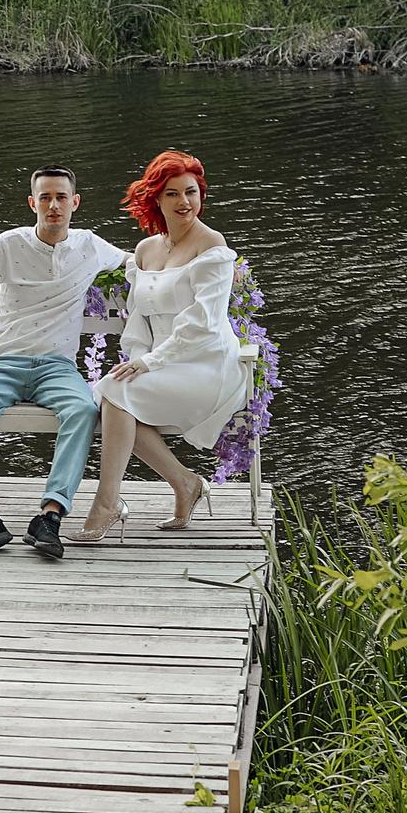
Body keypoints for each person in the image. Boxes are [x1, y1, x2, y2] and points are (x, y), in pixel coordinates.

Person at [0, 166, 127, 561]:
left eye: (61, 198)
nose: (53, 206)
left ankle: (50, 516)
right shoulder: (8, 244)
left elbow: (140, 262)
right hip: (3, 363)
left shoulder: (90, 246)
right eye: (45, 198)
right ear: (32, 203)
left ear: (74, 203)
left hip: (57, 368)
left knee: (82, 410)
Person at [76, 150, 252, 540]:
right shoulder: (146, 250)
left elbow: (203, 322)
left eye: (191, 192)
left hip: (207, 364)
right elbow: (139, 317)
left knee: (113, 395)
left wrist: (151, 363)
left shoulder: (212, 246)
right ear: (156, 198)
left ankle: (108, 502)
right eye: (172, 193)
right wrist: (140, 360)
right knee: (114, 397)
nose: (184, 202)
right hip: (162, 363)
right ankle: (185, 484)